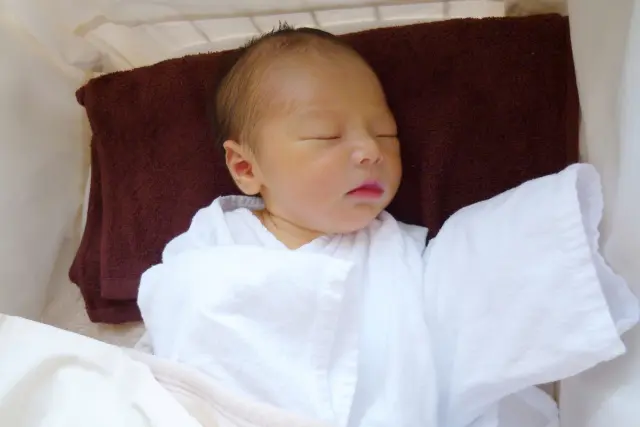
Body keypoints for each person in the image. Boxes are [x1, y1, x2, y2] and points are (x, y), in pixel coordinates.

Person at [138, 24, 638, 427]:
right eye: (325, 135)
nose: (370, 150)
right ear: (247, 168)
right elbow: (181, 312)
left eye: (385, 133)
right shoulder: (212, 248)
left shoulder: (399, 255)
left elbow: (452, 322)